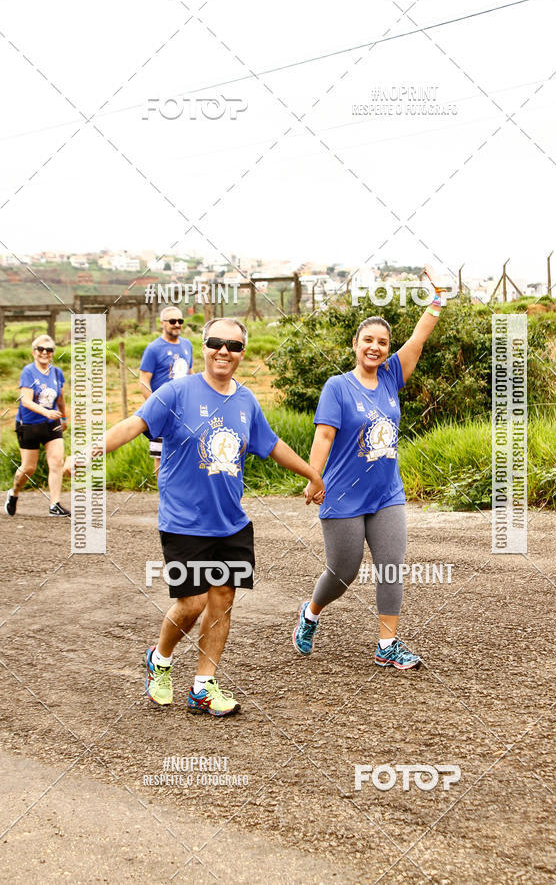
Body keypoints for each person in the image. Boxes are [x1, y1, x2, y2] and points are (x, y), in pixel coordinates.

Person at [67, 317, 324, 717]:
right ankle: (160, 660)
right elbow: (134, 424)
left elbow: (272, 445)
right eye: (216, 342)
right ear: (202, 347)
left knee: (222, 601)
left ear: (242, 353)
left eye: (234, 346)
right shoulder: (176, 392)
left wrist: (312, 474)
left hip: (231, 522)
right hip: (183, 521)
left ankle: (203, 687)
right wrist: (90, 451)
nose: (224, 351)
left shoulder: (246, 401)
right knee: (192, 602)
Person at [293, 267, 445, 669]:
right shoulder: (337, 387)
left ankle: (387, 645)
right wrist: (313, 477)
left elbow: (419, 339)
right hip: (343, 494)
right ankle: (311, 613)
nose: (375, 348)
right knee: (342, 573)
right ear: (355, 344)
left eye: (382, 342)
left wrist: (437, 299)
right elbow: (324, 436)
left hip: (386, 492)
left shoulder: (392, 375)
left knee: (391, 567)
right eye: (368, 341)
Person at [5, 334, 70, 517]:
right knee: (29, 468)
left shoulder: (56, 373)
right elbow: (25, 401)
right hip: (29, 425)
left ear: (53, 353)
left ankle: (54, 504)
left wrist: (64, 417)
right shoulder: (28, 372)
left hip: (51, 423)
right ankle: (13, 493)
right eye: (40, 349)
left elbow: (60, 398)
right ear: (34, 352)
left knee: (56, 461)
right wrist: (45, 412)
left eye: (49, 350)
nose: (44, 353)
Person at [139, 306, 193, 472]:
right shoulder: (154, 348)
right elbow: (143, 381)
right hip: (163, 410)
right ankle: (162, 488)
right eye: (172, 321)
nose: (177, 324)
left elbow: (190, 373)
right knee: (160, 455)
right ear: (162, 323)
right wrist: (156, 406)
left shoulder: (187, 345)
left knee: (185, 451)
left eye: (180, 321)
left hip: (184, 409)